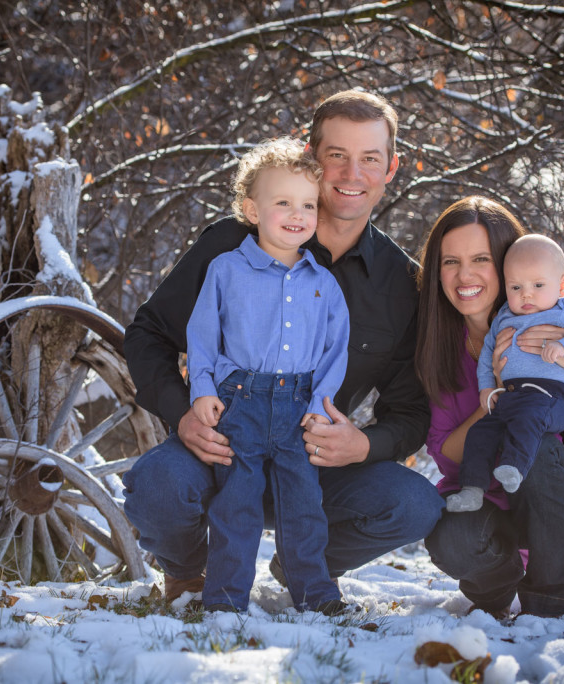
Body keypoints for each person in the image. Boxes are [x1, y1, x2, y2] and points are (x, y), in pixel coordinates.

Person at [122, 89, 443, 607]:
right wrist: (183, 416)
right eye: (336, 155)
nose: (350, 174)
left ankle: (306, 565)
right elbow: (148, 334)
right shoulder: (233, 245)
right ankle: (188, 574)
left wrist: (362, 445)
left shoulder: (399, 281)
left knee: (413, 504)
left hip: (313, 464)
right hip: (223, 450)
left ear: (392, 168)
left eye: (370, 159)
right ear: (311, 156)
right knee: (157, 483)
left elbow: (410, 411)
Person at [415, 196, 564, 618]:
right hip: (487, 499)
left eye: (480, 259)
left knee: (540, 446)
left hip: (562, 501)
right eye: (450, 261)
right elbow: (446, 453)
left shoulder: (557, 329)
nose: (464, 275)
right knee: (451, 537)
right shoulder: (440, 345)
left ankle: (547, 603)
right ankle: (499, 586)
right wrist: (499, 389)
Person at [186, 137, 348, 614]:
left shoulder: (323, 282)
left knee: (304, 508)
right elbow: (202, 336)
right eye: (283, 203)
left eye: (307, 204)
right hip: (241, 401)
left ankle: (317, 597)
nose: (297, 214)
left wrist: (321, 403)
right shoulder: (226, 270)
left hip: (300, 406)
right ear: (251, 209)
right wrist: (202, 390)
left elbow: (334, 351)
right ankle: (225, 599)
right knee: (235, 504)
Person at [446, 234, 564, 512]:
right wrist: (486, 387)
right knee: (481, 431)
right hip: (511, 396)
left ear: (562, 285)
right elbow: (487, 356)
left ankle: (513, 467)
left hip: (551, 397)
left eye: (538, 285)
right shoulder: (505, 316)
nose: (526, 294)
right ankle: (472, 490)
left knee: (529, 417)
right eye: (516, 286)